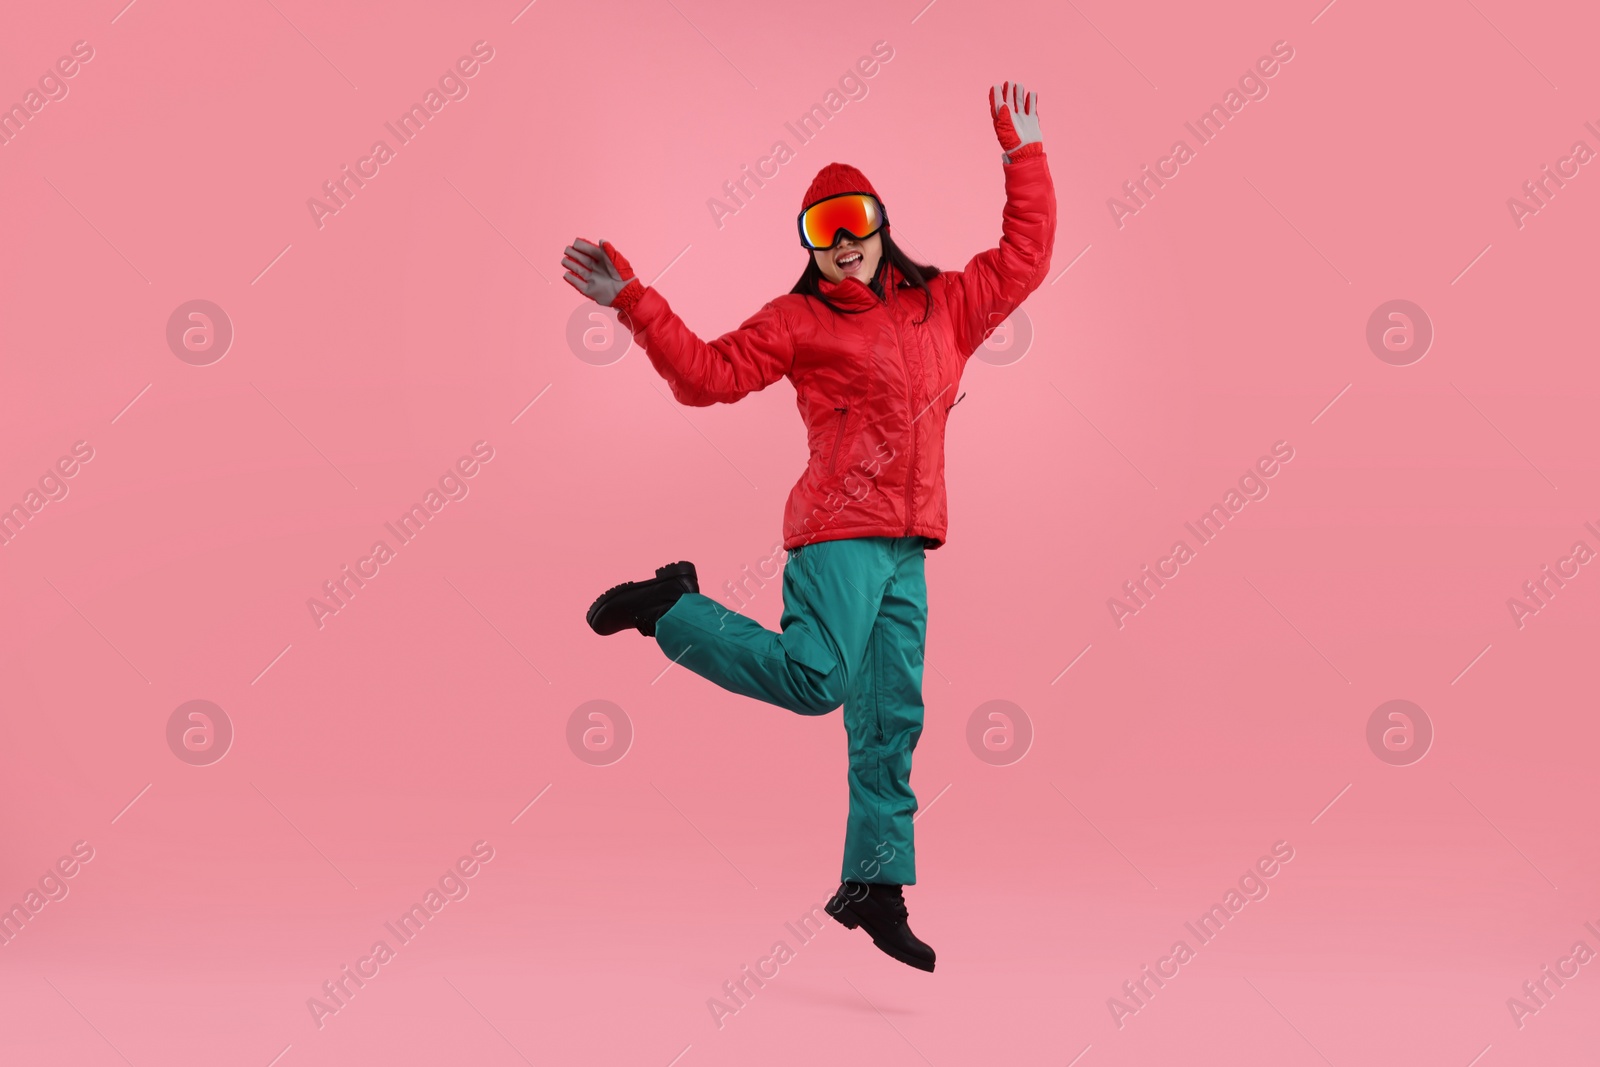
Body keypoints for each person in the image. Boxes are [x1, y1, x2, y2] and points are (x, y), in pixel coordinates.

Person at [562, 82, 1056, 972]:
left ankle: (875, 884)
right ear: (809, 247)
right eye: (820, 232)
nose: (841, 246)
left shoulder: (944, 303)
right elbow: (707, 375)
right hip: (839, 531)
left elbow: (1024, 258)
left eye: (853, 222)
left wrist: (1024, 155)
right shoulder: (800, 321)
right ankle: (674, 607)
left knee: (890, 717)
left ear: (879, 225)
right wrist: (634, 302)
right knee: (817, 680)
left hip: (911, 543)